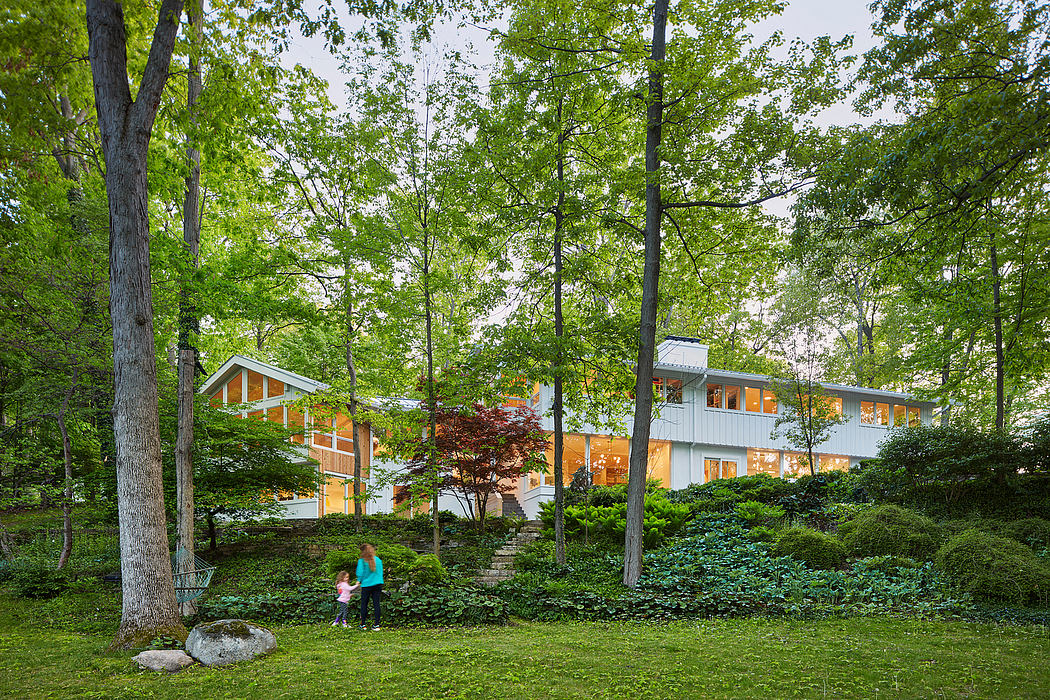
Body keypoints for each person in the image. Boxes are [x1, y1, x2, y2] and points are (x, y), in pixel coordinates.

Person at [356, 542, 383, 631]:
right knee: (376, 604)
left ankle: (363, 624)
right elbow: (380, 572)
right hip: (378, 584)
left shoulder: (362, 561)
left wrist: (359, 580)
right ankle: (377, 624)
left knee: (364, 604)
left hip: (367, 585)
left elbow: (360, 573)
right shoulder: (378, 560)